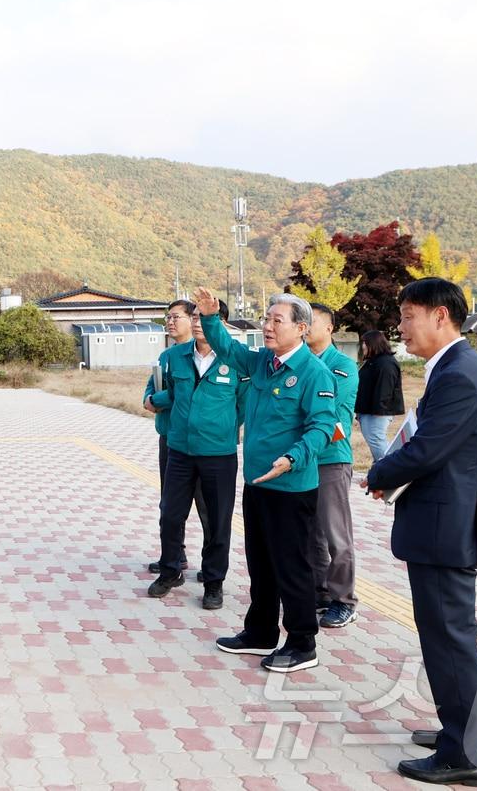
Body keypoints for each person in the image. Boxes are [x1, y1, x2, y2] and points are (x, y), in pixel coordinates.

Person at [364, 277, 477, 788]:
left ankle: (464, 757)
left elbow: (427, 451)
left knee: (450, 639)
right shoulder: (452, 367)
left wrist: (378, 475)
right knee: (449, 636)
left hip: (448, 525)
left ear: (440, 316)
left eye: (407, 316)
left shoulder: (460, 375)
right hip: (445, 519)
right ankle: (466, 733)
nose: (400, 327)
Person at [194, 288, 336, 673]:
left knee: (293, 567)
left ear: (301, 328)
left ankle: (303, 643)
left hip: (291, 488)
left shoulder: (313, 373)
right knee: (261, 563)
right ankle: (259, 632)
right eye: (266, 318)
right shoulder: (261, 363)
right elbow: (226, 347)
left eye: (277, 320)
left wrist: (292, 459)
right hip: (258, 484)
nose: (267, 326)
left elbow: (323, 426)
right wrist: (210, 317)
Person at [146, 299, 248, 610]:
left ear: (221, 324)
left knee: (217, 521)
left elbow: (242, 405)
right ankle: (170, 569)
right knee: (171, 514)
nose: (199, 323)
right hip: (179, 450)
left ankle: (214, 582)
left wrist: (223, 431)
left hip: (218, 454)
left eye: (206, 318)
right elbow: (171, 394)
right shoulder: (175, 356)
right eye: (196, 317)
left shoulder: (234, 359)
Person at [306, 303, 360, 629]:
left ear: (330, 327)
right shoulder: (297, 362)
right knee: (310, 533)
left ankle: (344, 600)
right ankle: (319, 591)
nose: (306, 325)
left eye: (312, 320)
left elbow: (329, 417)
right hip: (302, 461)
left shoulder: (342, 366)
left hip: (331, 459)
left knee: (335, 534)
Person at [143, 301, 199, 575]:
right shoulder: (165, 356)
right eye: (168, 317)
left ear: (193, 320)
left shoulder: (197, 355)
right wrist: (150, 398)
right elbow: (150, 389)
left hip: (199, 441)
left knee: (206, 505)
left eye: (177, 317)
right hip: (169, 437)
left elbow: (180, 394)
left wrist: (157, 399)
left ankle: (211, 564)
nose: (170, 321)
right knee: (170, 502)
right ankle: (175, 555)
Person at [354, 330, 404, 462]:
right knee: (373, 439)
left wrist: (379, 410)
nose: (363, 346)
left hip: (377, 412)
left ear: (373, 344)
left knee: (376, 439)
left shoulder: (385, 363)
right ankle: (380, 467)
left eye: (365, 343)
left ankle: (389, 468)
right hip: (369, 410)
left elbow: (385, 388)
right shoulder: (374, 361)